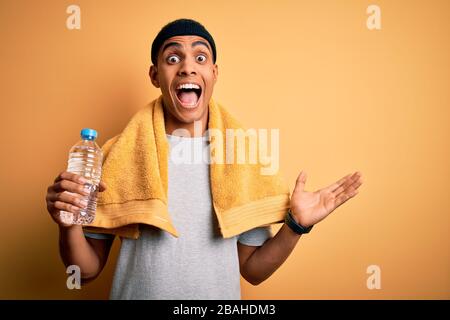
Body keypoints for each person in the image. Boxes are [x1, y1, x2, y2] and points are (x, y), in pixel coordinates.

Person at [45, 19, 363, 299]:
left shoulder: (242, 159)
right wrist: (68, 224)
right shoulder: (117, 155)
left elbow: (253, 270)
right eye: (173, 58)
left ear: (213, 73)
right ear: (155, 75)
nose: (187, 67)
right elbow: (83, 273)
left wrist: (296, 226)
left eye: (200, 57)